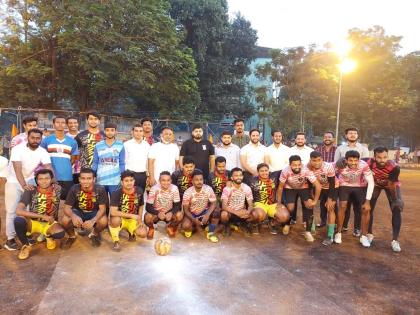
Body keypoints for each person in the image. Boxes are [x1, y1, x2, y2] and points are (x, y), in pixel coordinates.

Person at [4, 128, 52, 251]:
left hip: (30, 181)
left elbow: (48, 167)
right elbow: (17, 169)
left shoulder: (42, 151)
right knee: (12, 210)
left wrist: (53, 182)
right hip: (14, 181)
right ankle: (10, 239)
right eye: (33, 138)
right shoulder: (17, 149)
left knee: (30, 209)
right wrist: (24, 185)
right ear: (28, 138)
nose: (35, 140)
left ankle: (26, 234)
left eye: (38, 138)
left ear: (41, 139)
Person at [14, 169, 64, 260]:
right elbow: (18, 211)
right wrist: (42, 216)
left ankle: (47, 235)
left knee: (60, 233)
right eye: (40, 179)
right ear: (36, 180)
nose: (44, 181)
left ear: (52, 179)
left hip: (50, 223)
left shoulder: (57, 189)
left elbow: (73, 195)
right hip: (33, 223)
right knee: (18, 220)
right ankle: (25, 246)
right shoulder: (31, 190)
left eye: (47, 178)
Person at [365, 147, 403, 252]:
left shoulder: (394, 167)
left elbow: (391, 184)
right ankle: (369, 234)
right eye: (379, 157)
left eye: (385, 157)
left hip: (391, 185)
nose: (382, 160)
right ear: (374, 157)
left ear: (388, 156)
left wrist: (396, 200)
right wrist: (341, 161)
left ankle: (395, 240)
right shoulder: (368, 162)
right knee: (369, 208)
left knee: (396, 208)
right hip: (376, 185)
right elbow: (356, 160)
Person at [277, 155, 322, 242]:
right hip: (290, 188)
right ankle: (287, 224)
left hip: (303, 187)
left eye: (299, 164)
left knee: (309, 205)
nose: (297, 167)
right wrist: (279, 203)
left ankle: (308, 232)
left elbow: (318, 186)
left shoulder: (305, 170)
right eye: (294, 165)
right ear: (290, 165)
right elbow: (280, 187)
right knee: (290, 207)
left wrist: (315, 201)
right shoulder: (285, 171)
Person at [334, 150, 374, 247]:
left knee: (365, 209)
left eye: (355, 160)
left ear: (359, 160)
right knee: (342, 206)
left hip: (360, 186)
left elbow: (371, 182)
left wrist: (368, 201)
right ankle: (338, 233)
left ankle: (363, 237)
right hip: (345, 185)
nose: (353, 163)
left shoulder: (363, 165)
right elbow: (327, 169)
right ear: (346, 160)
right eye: (350, 160)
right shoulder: (339, 164)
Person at [61, 168, 108, 249]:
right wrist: (73, 216)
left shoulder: (100, 189)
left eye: (89, 178)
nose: (85, 181)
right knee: (65, 220)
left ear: (94, 179)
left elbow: (102, 209)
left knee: (104, 221)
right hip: (78, 211)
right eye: (83, 178)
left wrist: (93, 220)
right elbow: (67, 207)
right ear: (79, 179)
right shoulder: (74, 188)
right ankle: (72, 236)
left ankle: (94, 234)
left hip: (93, 212)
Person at [41, 116, 79, 202]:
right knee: (50, 201)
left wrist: (65, 166)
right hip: (50, 177)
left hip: (67, 177)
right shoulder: (46, 140)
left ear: (65, 125)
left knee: (67, 202)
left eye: (63, 122)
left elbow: (73, 159)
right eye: (58, 122)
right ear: (53, 124)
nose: (60, 124)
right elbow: (41, 157)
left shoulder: (72, 141)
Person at [108, 170, 147, 251]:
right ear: (122, 182)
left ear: (134, 181)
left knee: (143, 233)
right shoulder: (116, 193)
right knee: (115, 220)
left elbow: (141, 205)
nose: (129, 183)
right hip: (120, 219)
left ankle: (131, 233)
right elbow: (113, 212)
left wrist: (140, 219)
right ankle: (116, 241)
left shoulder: (139, 191)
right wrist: (132, 215)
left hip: (132, 219)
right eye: (126, 181)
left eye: (131, 180)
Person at [307, 151, 338, 245]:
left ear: (322, 159)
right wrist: (311, 194)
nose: (317, 162)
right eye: (314, 160)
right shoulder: (307, 167)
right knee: (309, 204)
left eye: (319, 160)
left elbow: (332, 183)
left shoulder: (328, 166)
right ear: (310, 160)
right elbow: (309, 183)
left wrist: (330, 198)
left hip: (331, 187)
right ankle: (310, 228)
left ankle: (330, 235)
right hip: (317, 187)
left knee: (330, 208)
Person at [250, 163, 289, 235]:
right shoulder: (252, 180)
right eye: (262, 171)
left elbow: (287, 169)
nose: (264, 172)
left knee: (284, 216)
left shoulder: (274, 176)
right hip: (259, 203)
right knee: (257, 215)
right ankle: (255, 224)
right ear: (258, 172)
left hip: (273, 204)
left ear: (269, 171)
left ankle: (272, 224)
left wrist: (279, 203)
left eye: (266, 170)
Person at [181, 170, 219, 243]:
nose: (199, 182)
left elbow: (214, 203)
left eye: (201, 179)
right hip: (192, 213)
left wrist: (207, 215)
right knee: (186, 226)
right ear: (192, 181)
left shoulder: (208, 189)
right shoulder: (188, 192)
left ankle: (210, 233)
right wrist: (194, 220)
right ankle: (196, 226)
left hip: (204, 211)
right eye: (196, 180)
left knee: (216, 212)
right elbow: (186, 210)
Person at [144, 171, 183, 239]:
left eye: (168, 180)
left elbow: (178, 205)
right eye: (163, 180)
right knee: (147, 216)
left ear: (171, 180)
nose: (166, 183)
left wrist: (171, 212)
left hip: (168, 214)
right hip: (156, 214)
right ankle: (151, 228)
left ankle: (170, 226)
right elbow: (148, 207)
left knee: (179, 215)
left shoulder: (174, 188)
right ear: (159, 181)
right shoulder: (154, 188)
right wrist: (158, 213)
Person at [92, 122, 125, 197]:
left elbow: (122, 163)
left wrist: (122, 177)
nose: (110, 132)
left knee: (114, 204)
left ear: (116, 132)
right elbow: (95, 162)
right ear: (104, 131)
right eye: (107, 130)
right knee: (102, 204)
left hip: (115, 180)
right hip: (101, 180)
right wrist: (93, 175)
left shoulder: (120, 145)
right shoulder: (98, 145)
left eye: (112, 130)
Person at [220, 167, 255, 236]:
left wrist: (248, 211)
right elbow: (224, 206)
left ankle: (244, 224)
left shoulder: (246, 187)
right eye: (236, 175)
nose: (239, 177)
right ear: (232, 178)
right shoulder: (227, 188)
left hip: (242, 211)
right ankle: (227, 226)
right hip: (230, 212)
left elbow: (250, 204)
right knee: (223, 214)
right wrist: (236, 213)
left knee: (255, 214)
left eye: (240, 175)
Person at [288, 132, 314, 224]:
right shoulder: (289, 150)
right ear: (295, 140)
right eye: (298, 139)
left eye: (302, 139)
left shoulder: (310, 150)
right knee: (292, 200)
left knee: (305, 200)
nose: (300, 140)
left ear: (305, 140)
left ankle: (306, 220)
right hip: (292, 179)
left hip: (306, 179)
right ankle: (292, 219)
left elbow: (312, 164)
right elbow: (287, 164)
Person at [124, 123, 150, 192]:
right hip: (130, 175)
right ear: (132, 132)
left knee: (140, 195)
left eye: (140, 131)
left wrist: (148, 175)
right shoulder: (126, 144)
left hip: (143, 175)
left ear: (143, 132)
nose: (138, 133)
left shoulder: (147, 145)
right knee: (129, 195)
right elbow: (124, 160)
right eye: (136, 131)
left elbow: (148, 161)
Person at [65, 116, 80, 183]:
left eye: (75, 123)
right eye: (70, 123)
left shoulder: (83, 136)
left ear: (78, 124)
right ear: (67, 124)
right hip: (67, 169)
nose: (73, 125)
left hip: (82, 169)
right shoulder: (64, 137)